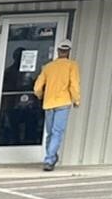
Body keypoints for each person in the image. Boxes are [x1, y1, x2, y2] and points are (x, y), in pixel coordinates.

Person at [32, 41, 82, 171]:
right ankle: (49, 160)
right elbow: (74, 85)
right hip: (63, 103)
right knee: (57, 132)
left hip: (49, 103)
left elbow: (37, 87)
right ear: (68, 52)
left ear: (58, 51)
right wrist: (76, 100)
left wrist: (40, 96)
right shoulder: (72, 66)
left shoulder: (48, 67)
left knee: (50, 133)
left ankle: (50, 156)